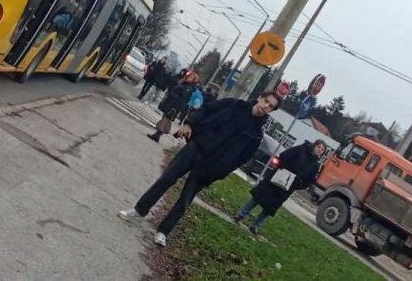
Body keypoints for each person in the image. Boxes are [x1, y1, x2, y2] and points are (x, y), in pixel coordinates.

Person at [120, 91, 282, 247]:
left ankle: (163, 231)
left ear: (271, 111)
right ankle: (139, 210)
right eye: (266, 101)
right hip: (195, 148)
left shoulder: (256, 134)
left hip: (210, 167)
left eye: (270, 107)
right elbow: (206, 109)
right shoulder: (233, 105)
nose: (266, 106)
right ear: (260, 98)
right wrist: (190, 123)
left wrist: (220, 172)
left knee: (185, 199)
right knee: (166, 179)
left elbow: (242, 158)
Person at [234, 139, 326, 234]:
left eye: (322, 150)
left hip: (287, 188)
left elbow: (309, 180)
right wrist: (284, 169)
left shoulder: (315, 165)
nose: (320, 150)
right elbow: (284, 155)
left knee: (270, 207)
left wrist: (298, 185)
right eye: (319, 147)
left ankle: (255, 225)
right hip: (276, 178)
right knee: (258, 197)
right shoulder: (301, 149)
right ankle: (241, 214)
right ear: (314, 145)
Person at [147, 71, 198, 143]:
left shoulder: (189, 88)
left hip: (174, 106)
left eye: (192, 78)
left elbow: (183, 99)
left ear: (193, 80)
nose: (189, 78)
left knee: (165, 120)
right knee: (164, 119)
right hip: (170, 103)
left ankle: (157, 135)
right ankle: (157, 135)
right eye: (189, 76)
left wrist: (176, 103)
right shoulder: (183, 83)